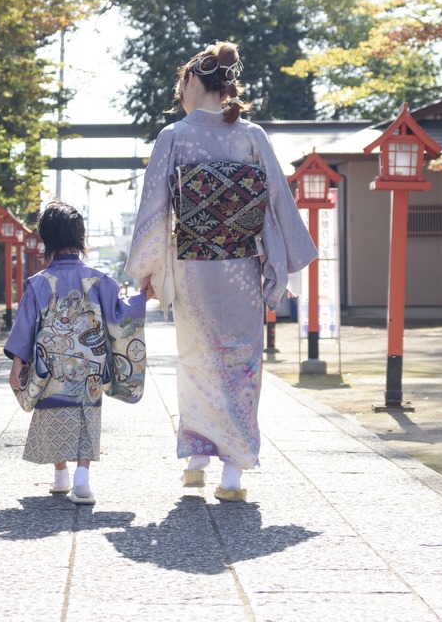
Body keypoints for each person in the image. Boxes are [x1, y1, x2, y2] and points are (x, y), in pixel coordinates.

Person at [125, 41, 316, 502]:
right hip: (242, 269)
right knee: (241, 363)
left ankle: (196, 458)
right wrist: (281, 262)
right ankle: (233, 473)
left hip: (193, 266)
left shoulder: (173, 136)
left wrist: (149, 269)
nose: (179, 93)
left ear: (193, 80)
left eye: (181, 83)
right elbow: (277, 201)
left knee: (196, 359)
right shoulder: (252, 136)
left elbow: (154, 208)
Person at [5, 200, 148, 506]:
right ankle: (82, 478)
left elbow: (25, 325)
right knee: (87, 413)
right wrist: (143, 297)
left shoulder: (39, 283)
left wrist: (18, 362)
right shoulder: (99, 279)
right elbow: (120, 313)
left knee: (52, 411)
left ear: (46, 240)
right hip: (91, 363)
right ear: (82, 238)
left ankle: (61, 476)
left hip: (50, 363)